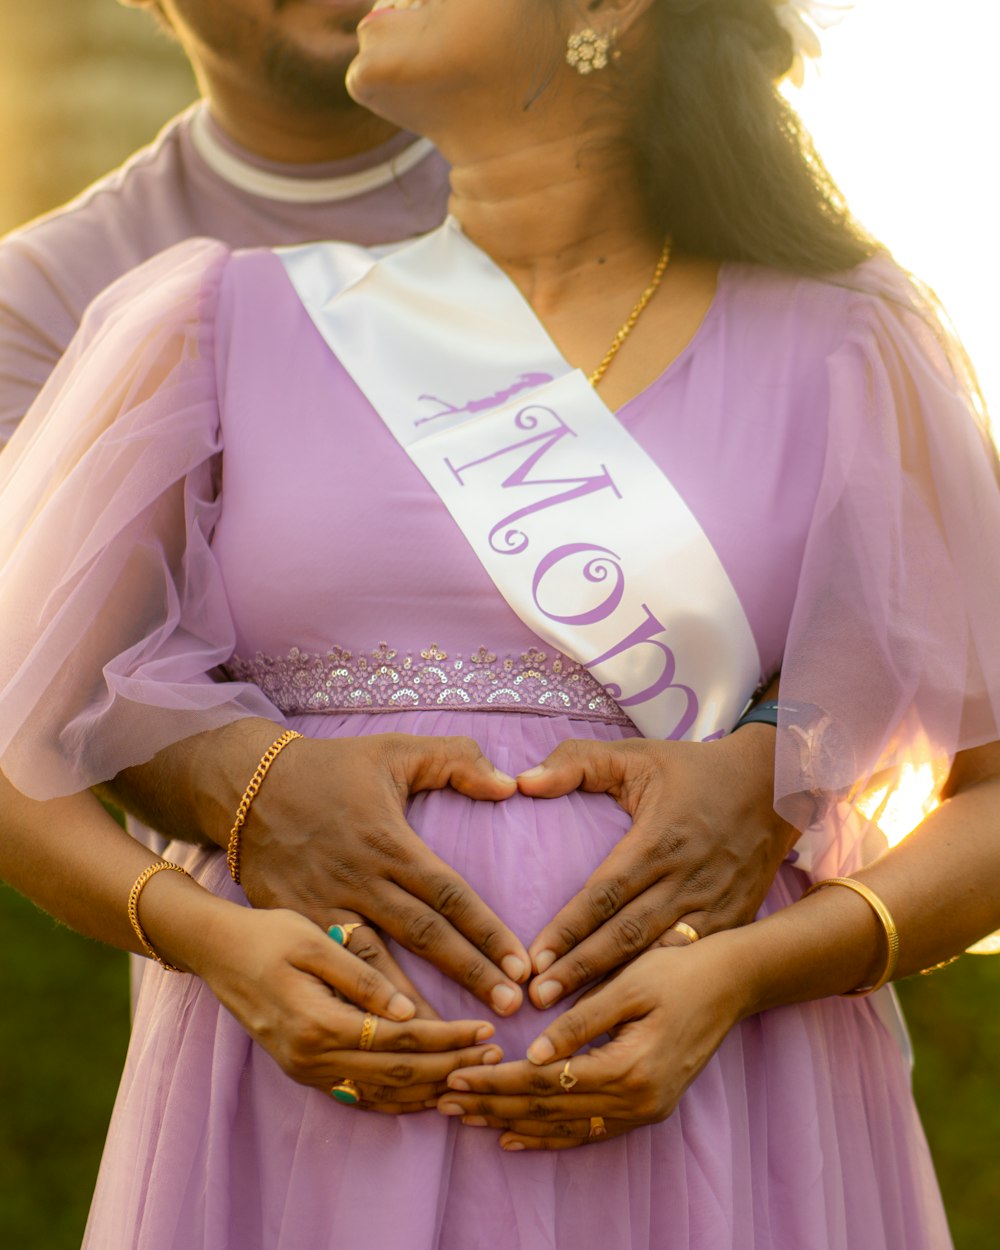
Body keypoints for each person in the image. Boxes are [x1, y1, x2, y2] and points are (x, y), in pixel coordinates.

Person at [2, 1, 999, 1247]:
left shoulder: (851, 339)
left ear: (605, 12)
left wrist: (751, 966)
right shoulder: (216, 321)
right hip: (299, 1116)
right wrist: (209, 938)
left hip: (723, 1107)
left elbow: (986, 785)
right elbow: (15, 743)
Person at [0, 0, 791, 1023]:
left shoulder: (612, 169)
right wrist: (252, 786)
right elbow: (39, 685)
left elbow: (878, 576)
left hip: (702, 997)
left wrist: (772, 759)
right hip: (305, 998)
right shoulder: (50, 296)